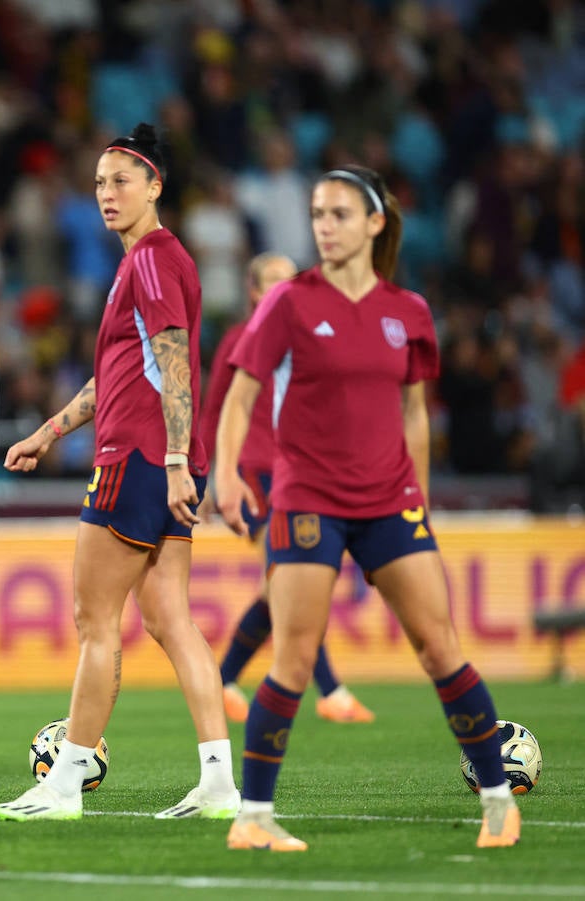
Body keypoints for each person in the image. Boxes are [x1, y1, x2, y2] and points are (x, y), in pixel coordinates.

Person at [214, 165, 519, 851]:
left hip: (391, 501)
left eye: (340, 213)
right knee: (292, 658)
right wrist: (226, 475)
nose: (324, 225)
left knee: (440, 646)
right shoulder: (288, 300)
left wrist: (422, 497)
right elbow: (240, 391)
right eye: (318, 212)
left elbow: (415, 412)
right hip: (307, 496)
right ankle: (253, 817)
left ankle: (498, 801)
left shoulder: (407, 311)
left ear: (375, 223)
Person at [0, 125, 239, 823]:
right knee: (171, 619)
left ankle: (64, 783)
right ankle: (219, 778)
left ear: (155, 186)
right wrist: (48, 430)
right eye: (99, 182)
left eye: (121, 180)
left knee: (94, 620)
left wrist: (178, 460)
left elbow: (178, 362)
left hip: (137, 460)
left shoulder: (152, 260)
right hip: (163, 460)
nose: (106, 193)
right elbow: (121, 375)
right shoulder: (155, 262)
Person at [200, 252, 375, 724]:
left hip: (302, 476)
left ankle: (224, 678)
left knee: (280, 584)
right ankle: (331, 691)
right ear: (254, 291)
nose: (285, 290)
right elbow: (215, 411)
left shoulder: (305, 341)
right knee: (287, 580)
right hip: (256, 473)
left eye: (291, 282)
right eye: (274, 282)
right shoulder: (242, 339)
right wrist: (215, 475)